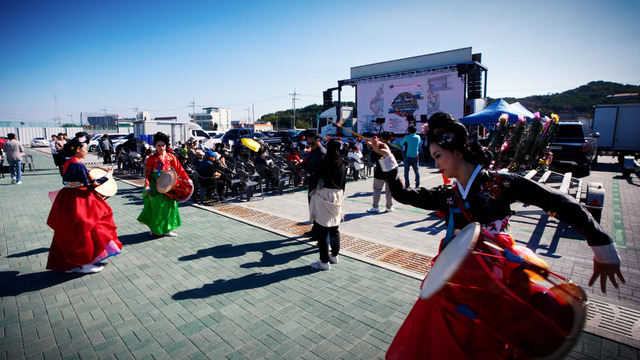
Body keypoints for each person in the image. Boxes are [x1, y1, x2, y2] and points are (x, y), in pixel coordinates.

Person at [368, 112, 625, 359]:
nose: (435, 164)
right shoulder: (448, 194)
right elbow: (404, 195)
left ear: (457, 152)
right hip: (462, 283)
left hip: (501, 279)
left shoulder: (499, 183)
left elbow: (556, 201)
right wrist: (389, 157)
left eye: (438, 156)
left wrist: (600, 243)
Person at [46, 136, 122, 273]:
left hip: (67, 197)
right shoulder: (78, 165)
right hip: (79, 199)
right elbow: (92, 185)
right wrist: (108, 176)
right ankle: (84, 263)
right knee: (86, 229)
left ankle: (71, 263)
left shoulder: (67, 162)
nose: (87, 151)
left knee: (71, 231)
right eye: (85, 148)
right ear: (77, 149)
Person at [137, 132, 192, 237]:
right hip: (154, 185)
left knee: (168, 207)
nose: (161, 147)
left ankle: (167, 229)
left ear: (166, 145)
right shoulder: (151, 158)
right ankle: (154, 228)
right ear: (155, 146)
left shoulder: (170, 157)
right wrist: (148, 186)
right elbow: (148, 174)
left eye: (163, 145)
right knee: (155, 207)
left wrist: (188, 179)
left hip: (168, 184)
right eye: (159, 145)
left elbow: (179, 169)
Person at [308, 139, 346, 270]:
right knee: (334, 228)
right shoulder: (342, 164)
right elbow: (343, 184)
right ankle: (334, 255)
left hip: (324, 196)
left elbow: (314, 179)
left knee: (322, 230)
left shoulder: (325, 163)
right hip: (338, 196)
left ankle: (324, 262)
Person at [368, 132, 403, 213]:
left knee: (377, 190)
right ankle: (389, 207)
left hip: (379, 172)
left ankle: (375, 207)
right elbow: (401, 157)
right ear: (390, 138)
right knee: (389, 190)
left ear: (381, 138)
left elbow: (372, 160)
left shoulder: (378, 148)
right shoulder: (395, 148)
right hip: (391, 172)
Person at [299, 133, 326, 237]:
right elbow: (308, 163)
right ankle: (315, 229)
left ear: (318, 140)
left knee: (318, 209)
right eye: (309, 143)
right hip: (312, 183)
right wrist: (301, 166)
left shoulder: (322, 153)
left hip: (319, 185)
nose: (310, 145)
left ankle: (319, 232)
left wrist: (307, 173)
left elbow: (322, 171)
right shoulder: (312, 152)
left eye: (312, 143)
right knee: (313, 208)